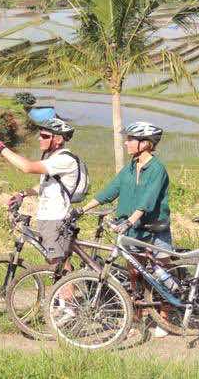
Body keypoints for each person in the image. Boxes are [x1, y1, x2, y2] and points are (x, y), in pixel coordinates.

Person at [82, 121, 172, 338]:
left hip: (153, 228)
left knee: (162, 274)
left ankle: (166, 319)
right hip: (131, 229)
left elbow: (147, 199)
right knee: (135, 276)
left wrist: (130, 220)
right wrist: (82, 210)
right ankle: (137, 320)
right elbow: (110, 190)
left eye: (131, 139)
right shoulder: (131, 166)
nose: (126, 142)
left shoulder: (157, 169)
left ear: (146, 144)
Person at [0, 118, 82, 267]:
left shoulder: (64, 160)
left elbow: (27, 167)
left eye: (45, 136)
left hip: (56, 219)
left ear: (59, 139)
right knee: (55, 263)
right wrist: (23, 194)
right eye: (40, 135)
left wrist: (1, 147)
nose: (40, 138)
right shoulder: (53, 158)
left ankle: (68, 290)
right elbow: (46, 185)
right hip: (48, 218)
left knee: (58, 265)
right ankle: (65, 288)